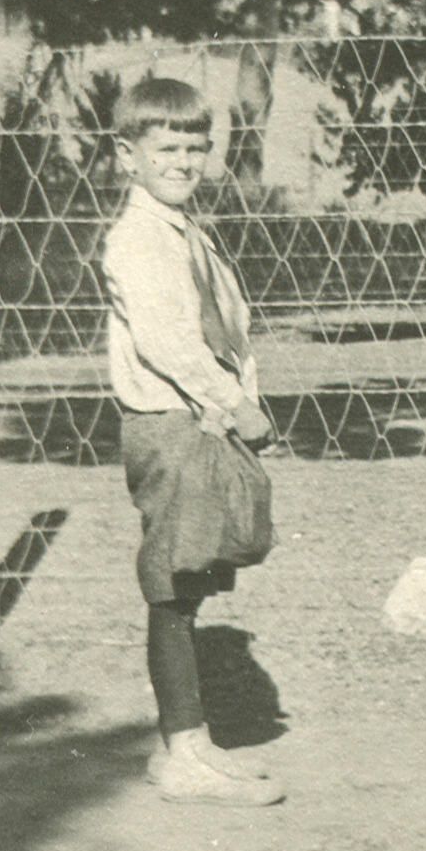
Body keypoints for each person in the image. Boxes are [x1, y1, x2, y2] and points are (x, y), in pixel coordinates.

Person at [102, 73, 285, 807]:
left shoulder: (185, 232)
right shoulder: (137, 239)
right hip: (170, 424)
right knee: (173, 587)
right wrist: (235, 405)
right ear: (128, 155)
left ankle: (191, 740)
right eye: (165, 148)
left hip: (199, 420)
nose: (182, 162)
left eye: (195, 148)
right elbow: (169, 342)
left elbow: (226, 325)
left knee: (193, 578)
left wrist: (240, 394)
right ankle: (182, 752)